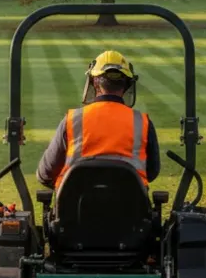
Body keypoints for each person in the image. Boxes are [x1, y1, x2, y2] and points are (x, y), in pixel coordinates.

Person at [37, 50, 161, 191]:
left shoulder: (72, 120)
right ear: (127, 85)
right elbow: (152, 171)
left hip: (76, 203)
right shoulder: (142, 123)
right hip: (130, 203)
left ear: (95, 82)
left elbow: (45, 173)